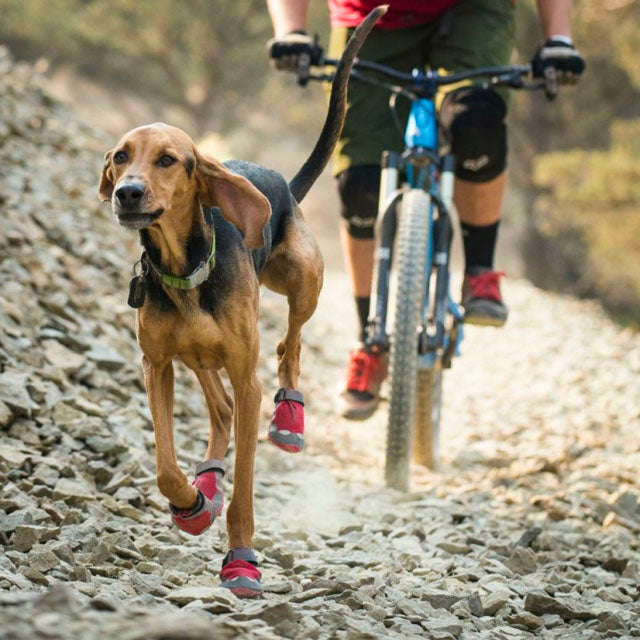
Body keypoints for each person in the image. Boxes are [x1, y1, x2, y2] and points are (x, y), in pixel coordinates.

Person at [266, 0, 585, 420]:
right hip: (370, 15)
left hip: (472, 11)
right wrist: (292, 32)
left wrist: (558, 39)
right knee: (360, 184)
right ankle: (369, 341)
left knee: (477, 122)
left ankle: (480, 275)